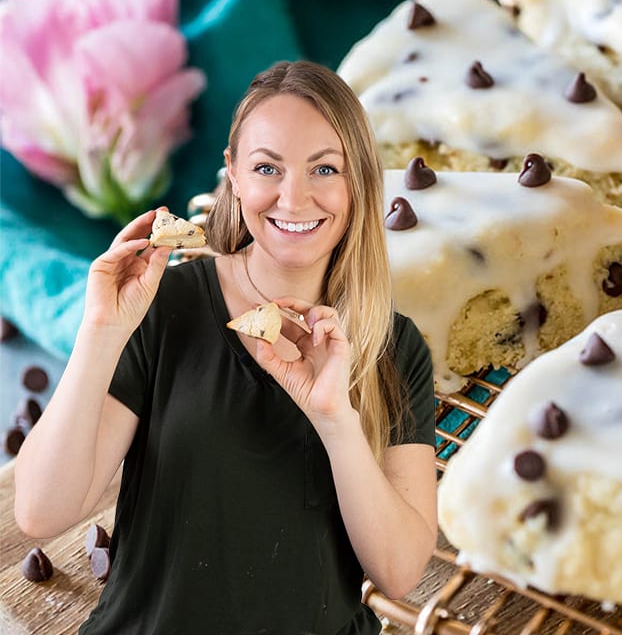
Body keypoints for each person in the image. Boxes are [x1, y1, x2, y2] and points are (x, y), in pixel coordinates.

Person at [14, 61, 438, 634]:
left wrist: (335, 418)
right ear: (233, 176)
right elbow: (41, 511)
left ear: (358, 181)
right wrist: (101, 333)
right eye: (268, 167)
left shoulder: (393, 345)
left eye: (324, 169)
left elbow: (400, 570)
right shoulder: (164, 305)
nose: (294, 198)